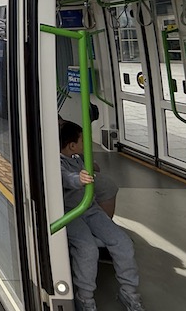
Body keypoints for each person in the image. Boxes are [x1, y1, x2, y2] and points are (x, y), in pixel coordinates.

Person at [59, 121, 145, 311]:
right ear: (71, 145)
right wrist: (79, 179)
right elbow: (66, 177)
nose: (87, 144)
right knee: (87, 249)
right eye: (83, 140)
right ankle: (85, 297)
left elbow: (86, 167)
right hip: (71, 213)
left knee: (122, 242)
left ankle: (129, 290)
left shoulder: (77, 158)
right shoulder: (58, 163)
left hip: (90, 209)